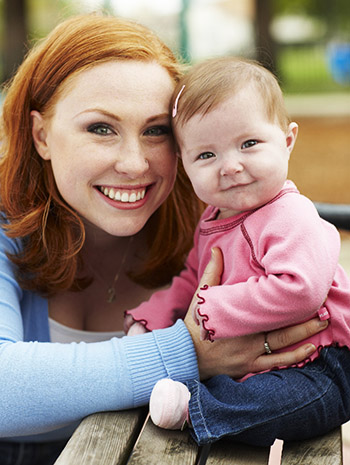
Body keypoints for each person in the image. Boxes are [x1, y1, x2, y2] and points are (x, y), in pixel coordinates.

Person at [0, 14, 328, 464]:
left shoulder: (218, 220)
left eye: (155, 131)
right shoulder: (5, 226)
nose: (135, 165)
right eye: (101, 128)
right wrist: (188, 352)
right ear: (41, 136)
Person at [125, 57, 350, 446]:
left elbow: (301, 289)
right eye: (206, 155)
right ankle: (196, 399)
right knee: (260, 392)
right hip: (258, 359)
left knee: (285, 404)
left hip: (322, 361)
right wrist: (153, 319)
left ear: (288, 140)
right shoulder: (213, 219)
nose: (230, 166)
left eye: (249, 144)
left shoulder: (291, 214)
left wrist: (213, 309)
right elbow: (192, 281)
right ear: (185, 166)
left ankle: (196, 410)